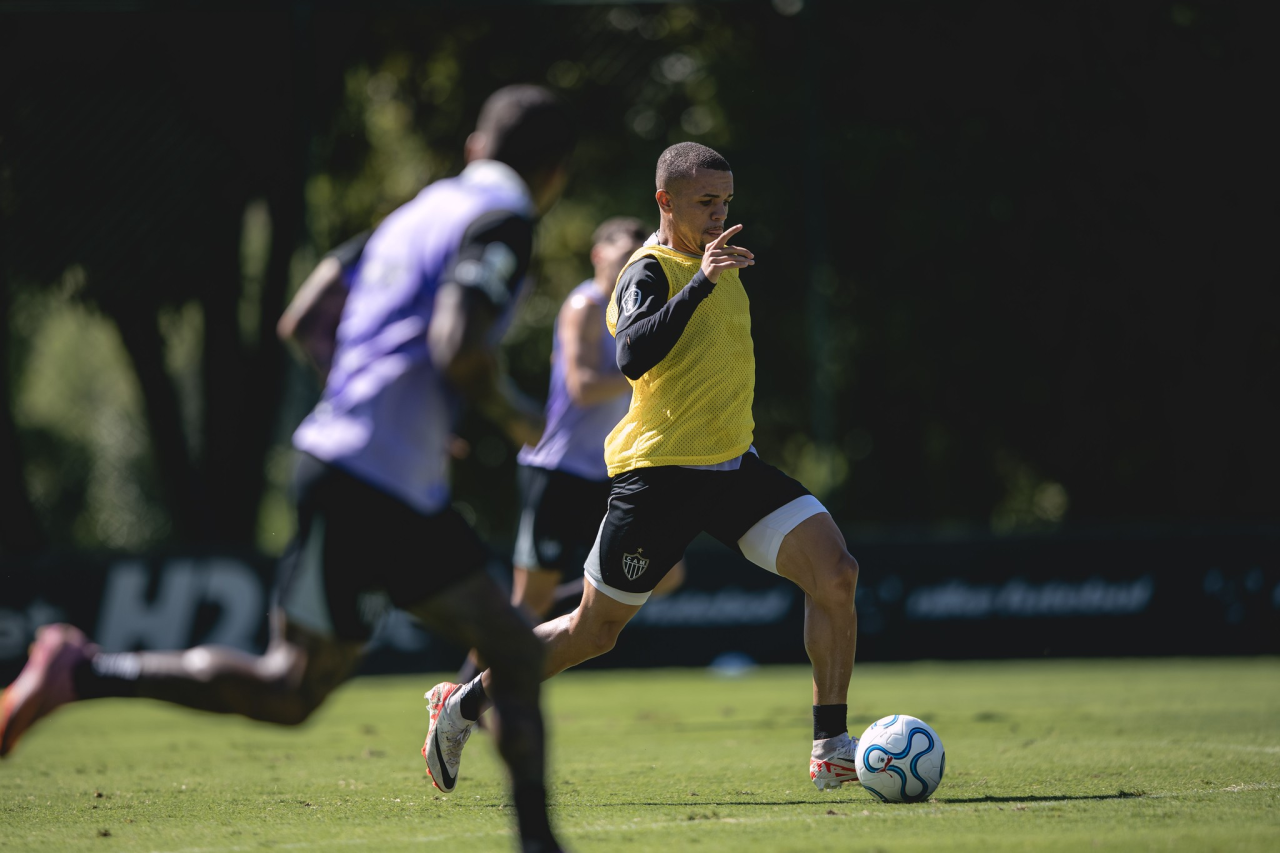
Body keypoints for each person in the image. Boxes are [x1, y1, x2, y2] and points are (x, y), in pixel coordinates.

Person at [0, 84, 576, 853]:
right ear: (556, 176)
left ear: (475, 146)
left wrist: (373, 402)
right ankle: (540, 842)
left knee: (292, 688)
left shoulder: (414, 213)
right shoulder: (504, 220)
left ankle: (85, 670)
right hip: (377, 480)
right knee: (507, 645)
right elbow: (459, 346)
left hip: (346, 463)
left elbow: (305, 316)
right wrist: (520, 419)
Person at [423, 141, 862, 794]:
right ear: (666, 201)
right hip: (659, 477)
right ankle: (463, 704)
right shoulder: (648, 269)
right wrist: (703, 281)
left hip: (734, 469)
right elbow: (631, 354)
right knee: (592, 632)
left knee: (836, 572)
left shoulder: (716, 263)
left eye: (726, 202)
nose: (719, 214)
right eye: (705, 202)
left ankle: (830, 743)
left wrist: (712, 273)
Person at [453, 218, 685, 697]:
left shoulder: (642, 308)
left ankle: (571, 601)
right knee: (527, 604)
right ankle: (457, 694)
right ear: (599, 257)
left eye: (636, 258)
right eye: (620, 256)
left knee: (667, 574)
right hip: (556, 469)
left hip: (609, 470)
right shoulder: (585, 305)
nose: (629, 266)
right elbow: (581, 387)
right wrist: (650, 361)